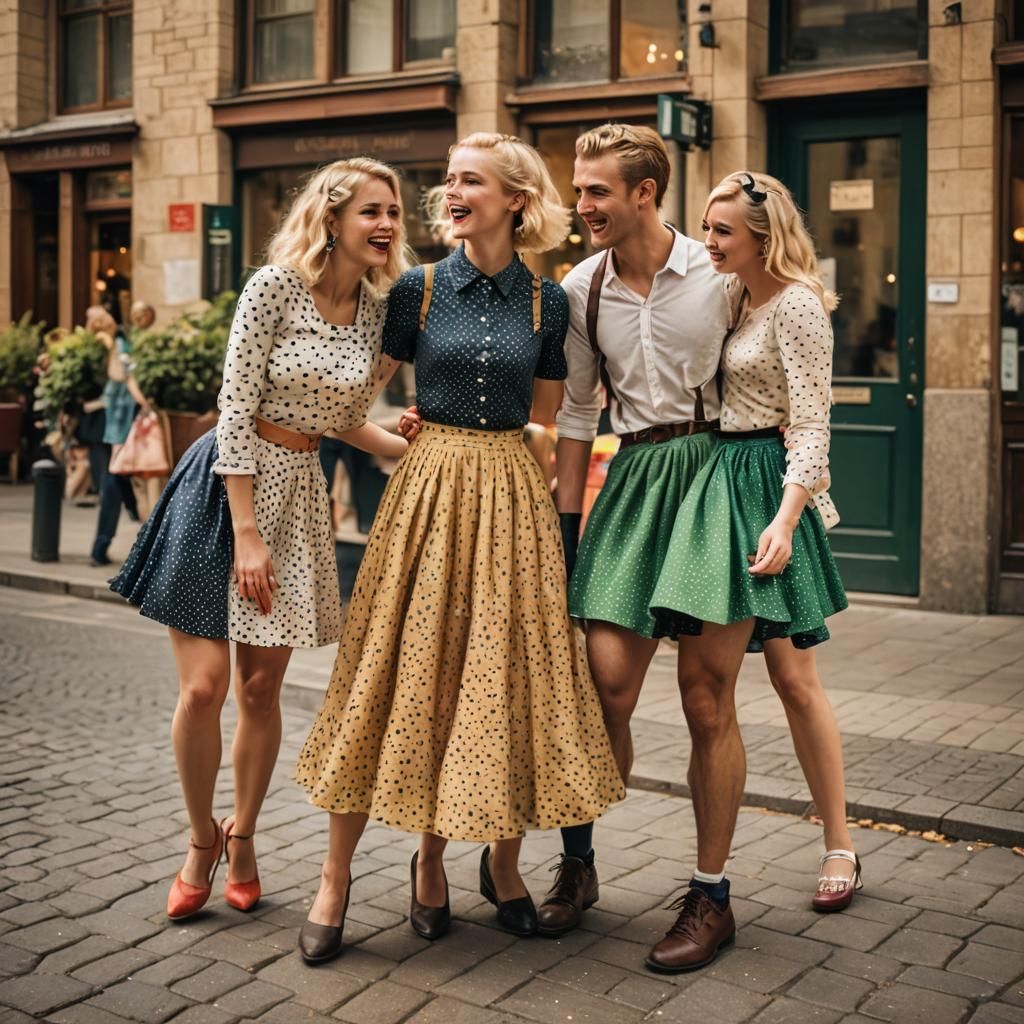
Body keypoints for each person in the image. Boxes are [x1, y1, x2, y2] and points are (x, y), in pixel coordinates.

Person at [294, 132, 624, 965]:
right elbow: (346, 398)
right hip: (426, 492)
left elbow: (552, 423)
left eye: (467, 180)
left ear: (516, 198)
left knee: (502, 681)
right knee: (397, 677)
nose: (450, 192)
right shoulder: (415, 289)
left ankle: (501, 866)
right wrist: (392, 443)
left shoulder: (551, 304)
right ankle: (349, 878)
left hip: (513, 497)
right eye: (447, 179)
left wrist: (559, 522)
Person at [545, 126, 856, 956]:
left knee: (708, 697)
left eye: (596, 191)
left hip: (716, 475)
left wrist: (790, 507)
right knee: (602, 687)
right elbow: (578, 411)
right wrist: (565, 531)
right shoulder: (580, 287)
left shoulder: (718, 277)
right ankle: (579, 862)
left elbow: (781, 390)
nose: (583, 207)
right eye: (579, 191)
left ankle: (712, 895)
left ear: (645, 193)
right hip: (635, 481)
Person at [109, 157, 413, 922]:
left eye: (394, 212)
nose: (385, 225)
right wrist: (247, 534)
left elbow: (341, 418)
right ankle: (198, 839)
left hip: (301, 494)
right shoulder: (272, 288)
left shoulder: (376, 313)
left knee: (260, 689)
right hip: (225, 492)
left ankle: (242, 838)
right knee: (204, 687)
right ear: (333, 219)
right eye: (370, 211)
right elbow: (235, 407)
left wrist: (416, 450)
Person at [645, 171, 851, 973]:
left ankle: (839, 846)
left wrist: (788, 516)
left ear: (765, 235)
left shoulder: (797, 303)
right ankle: (728, 877)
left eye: (722, 230)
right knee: (734, 681)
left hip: (769, 489)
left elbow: (811, 422)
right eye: (705, 227)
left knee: (796, 680)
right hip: (721, 483)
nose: (709, 242)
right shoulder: (734, 298)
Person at [89, 305, 145, 566]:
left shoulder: (110, 345)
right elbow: (125, 376)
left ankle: (132, 515)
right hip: (117, 424)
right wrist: (145, 403)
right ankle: (103, 543)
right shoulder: (113, 346)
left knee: (116, 479)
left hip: (114, 423)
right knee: (113, 481)